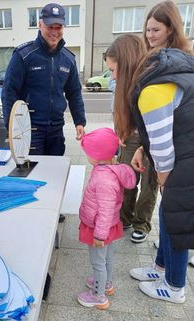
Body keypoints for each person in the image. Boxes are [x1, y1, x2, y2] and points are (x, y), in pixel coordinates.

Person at [105, 29, 194, 304]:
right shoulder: (154, 77)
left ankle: (175, 286)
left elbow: (165, 151)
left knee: (174, 215)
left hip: (186, 156)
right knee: (168, 214)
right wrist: (143, 148)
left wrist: (166, 185)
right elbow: (166, 127)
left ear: (128, 64)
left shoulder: (151, 91)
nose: (112, 77)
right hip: (185, 148)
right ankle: (160, 268)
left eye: (114, 70)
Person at [117, 0, 189, 243]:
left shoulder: (173, 62)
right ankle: (161, 261)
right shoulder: (153, 58)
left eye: (155, 30)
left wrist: (165, 176)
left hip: (167, 141)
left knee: (155, 188)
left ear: (171, 29)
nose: (149, 35)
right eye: (147, 30)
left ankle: (143, 225)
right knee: (131, 179)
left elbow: (164, 122)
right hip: (147, 138)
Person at [2, 2, 86, 158]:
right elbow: (9, 92)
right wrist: (11, 127)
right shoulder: (24, 55)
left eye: (58, 27)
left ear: (63, 28)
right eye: (50, 27)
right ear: (40, 25)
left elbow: (74, 93)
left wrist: (79, 121)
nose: (54, 32)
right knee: (33, 174)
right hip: (30, 129)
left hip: (56, 130)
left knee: (55, 173)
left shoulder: (68, 59)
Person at [77, 128, 136, 309]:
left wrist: (99, 236)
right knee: (107, 257)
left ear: (96, 156)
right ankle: (106, 284)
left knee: (98, 262)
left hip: (99, 228)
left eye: (88, 153)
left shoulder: (103, 179)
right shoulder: (108, 169)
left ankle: (98, 296)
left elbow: (105, 209)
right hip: (109, 226)